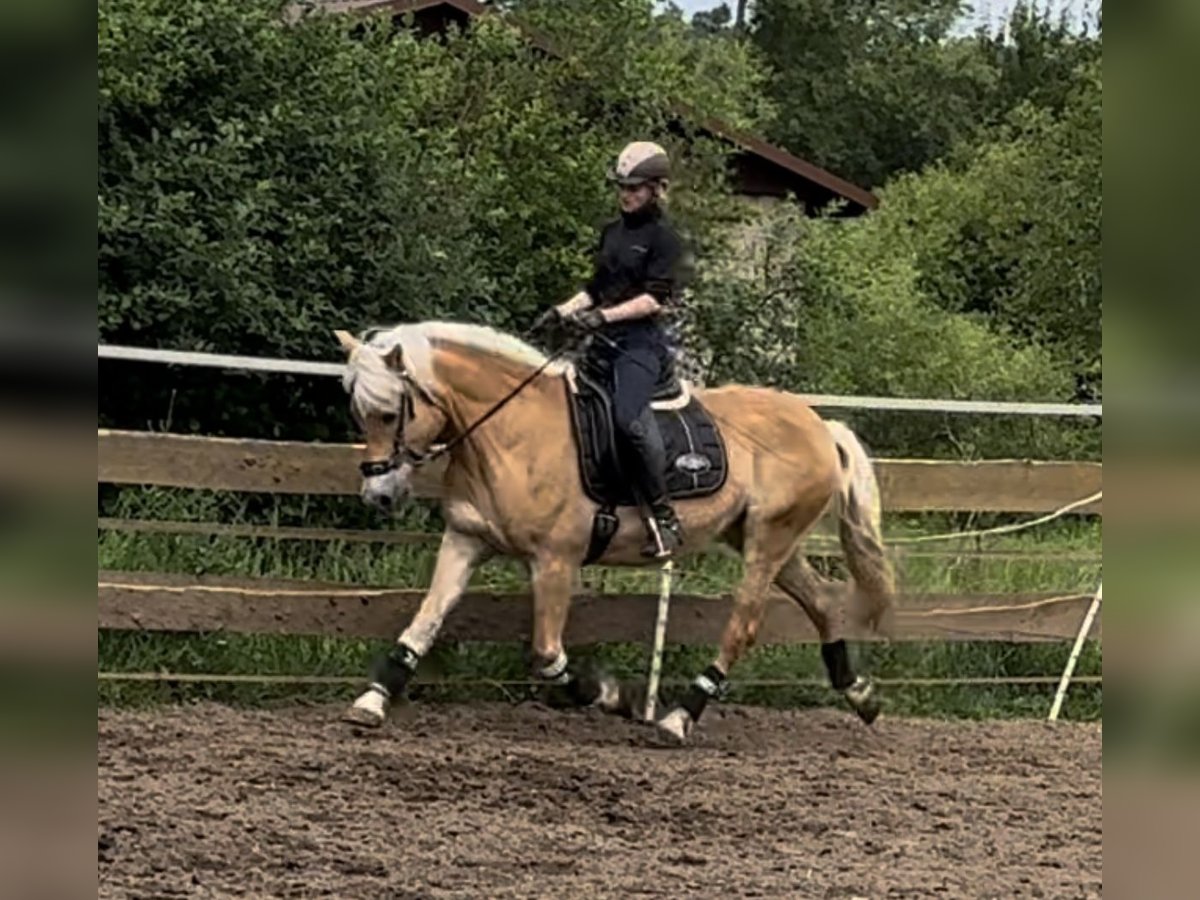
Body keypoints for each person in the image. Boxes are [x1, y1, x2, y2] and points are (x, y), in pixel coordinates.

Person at [545, 140, 689, 558]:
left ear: (657, 189)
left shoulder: (665, 239)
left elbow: (655, 298)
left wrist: (603, 317)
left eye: (636, 187)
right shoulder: (612, 233)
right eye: (622, 186)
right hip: (602, 343)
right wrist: (562, 311)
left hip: (639, 348)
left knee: (628, 420)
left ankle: (664, 518)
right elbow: (596, 288)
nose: (626, 194)